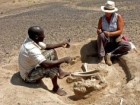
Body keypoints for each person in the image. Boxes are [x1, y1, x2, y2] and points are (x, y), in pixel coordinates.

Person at [18, 26, 72, 96]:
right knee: (52, 66)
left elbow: (46, 46)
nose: (44, 36)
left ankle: (61, 72)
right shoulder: (31, 49)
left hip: (32, 66)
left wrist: (62, 44)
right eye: (42, 34)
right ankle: (56, 88)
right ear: (37, 37)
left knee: (52, 51)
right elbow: (45, 64)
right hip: (28, 75)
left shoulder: (31, 39)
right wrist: (64, 60)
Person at [97, 0, 131, 66]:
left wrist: (110, 34)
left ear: (112, 11)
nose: (107, 12)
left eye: (109, 11)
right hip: (105, 41)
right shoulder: (102, 18)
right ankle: (101, 57)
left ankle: (110, 55)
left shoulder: (118, 17)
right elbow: (98, 29)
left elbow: (120, 31)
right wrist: (99, 31)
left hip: (115, 40)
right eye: (106, 11)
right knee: (101, 35)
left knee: (127, 46)